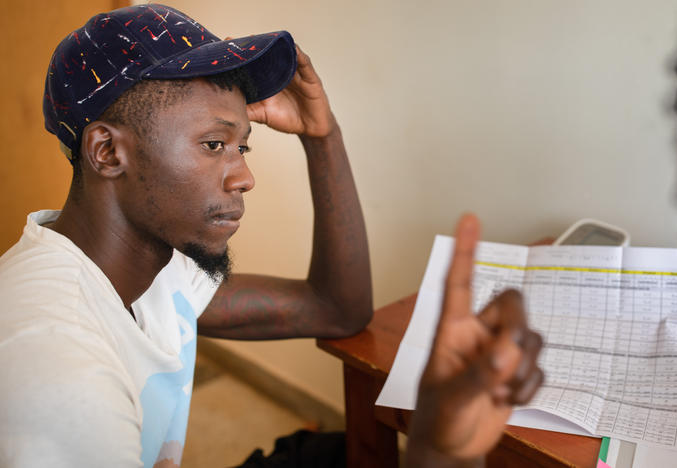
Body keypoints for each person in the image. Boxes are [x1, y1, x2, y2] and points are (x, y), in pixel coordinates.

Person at [0, 3, 543, 467]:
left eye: (244, 146)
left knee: (331, 455)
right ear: (107, 152)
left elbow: (335, 310)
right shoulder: (58, 367)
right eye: (214, 144)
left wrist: (322, 137)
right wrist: (438, 454)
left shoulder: (154, 272)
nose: (244, 176)